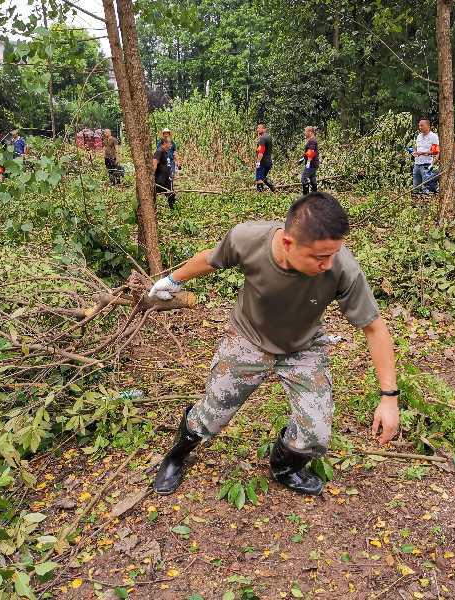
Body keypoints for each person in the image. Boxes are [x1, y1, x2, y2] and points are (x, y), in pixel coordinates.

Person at [148, 192, 400, 497]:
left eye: (334, 254)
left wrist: (389, 398)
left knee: (315, 432)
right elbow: (212, 259)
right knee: (211, 416)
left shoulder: (341, 267)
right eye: (320, 257)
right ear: (288, 243)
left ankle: (285, 467)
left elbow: (375, 328)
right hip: (248, 338)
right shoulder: (248, 239)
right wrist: (173, 280)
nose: (328, 264)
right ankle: (176, 455)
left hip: (302, 347)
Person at [412, 118, 439, 194]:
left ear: (428, 126)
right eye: (419, 126)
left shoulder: (433, 136)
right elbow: (416, 147)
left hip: (426, 165)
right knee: (416, 187)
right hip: (417, 164)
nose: (420, 127)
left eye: (422, 125)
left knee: (427, 187)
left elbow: (435, 151)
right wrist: (414, 151)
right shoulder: (419, 136)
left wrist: (422, 153)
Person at [153, 137, 176, 209]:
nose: (171, 145)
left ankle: (173, 210)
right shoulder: (159, 151)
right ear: (165, 143)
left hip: (165, 179)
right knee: (154, 194)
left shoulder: (165, 152)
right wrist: (151, 177)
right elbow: (154, 164)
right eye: (169, 143)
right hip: (160, 180)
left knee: (171, 195)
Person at [255, 123, 276, 192]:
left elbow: (261, 152)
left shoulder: (262, 139)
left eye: (259, 128)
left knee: (259, 179)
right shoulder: (269, 136)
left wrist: (258, 162)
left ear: (264, 129)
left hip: (262, 162)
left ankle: (260, 196)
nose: (257, 130)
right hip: (269, 162)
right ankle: (272, 188)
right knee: (263, 177)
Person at [300, 126, 319, 195]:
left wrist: (308, 163)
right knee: (312, 179)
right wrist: (302, 159)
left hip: (311, 164)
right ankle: (315, 196)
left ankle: (306, 197)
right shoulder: (313, 140)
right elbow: (309, 152)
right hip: (314, 164)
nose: (304, 133)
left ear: (310, 132)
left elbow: (311, 151)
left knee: (304, 179)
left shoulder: (312, 141)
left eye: (305, 131)